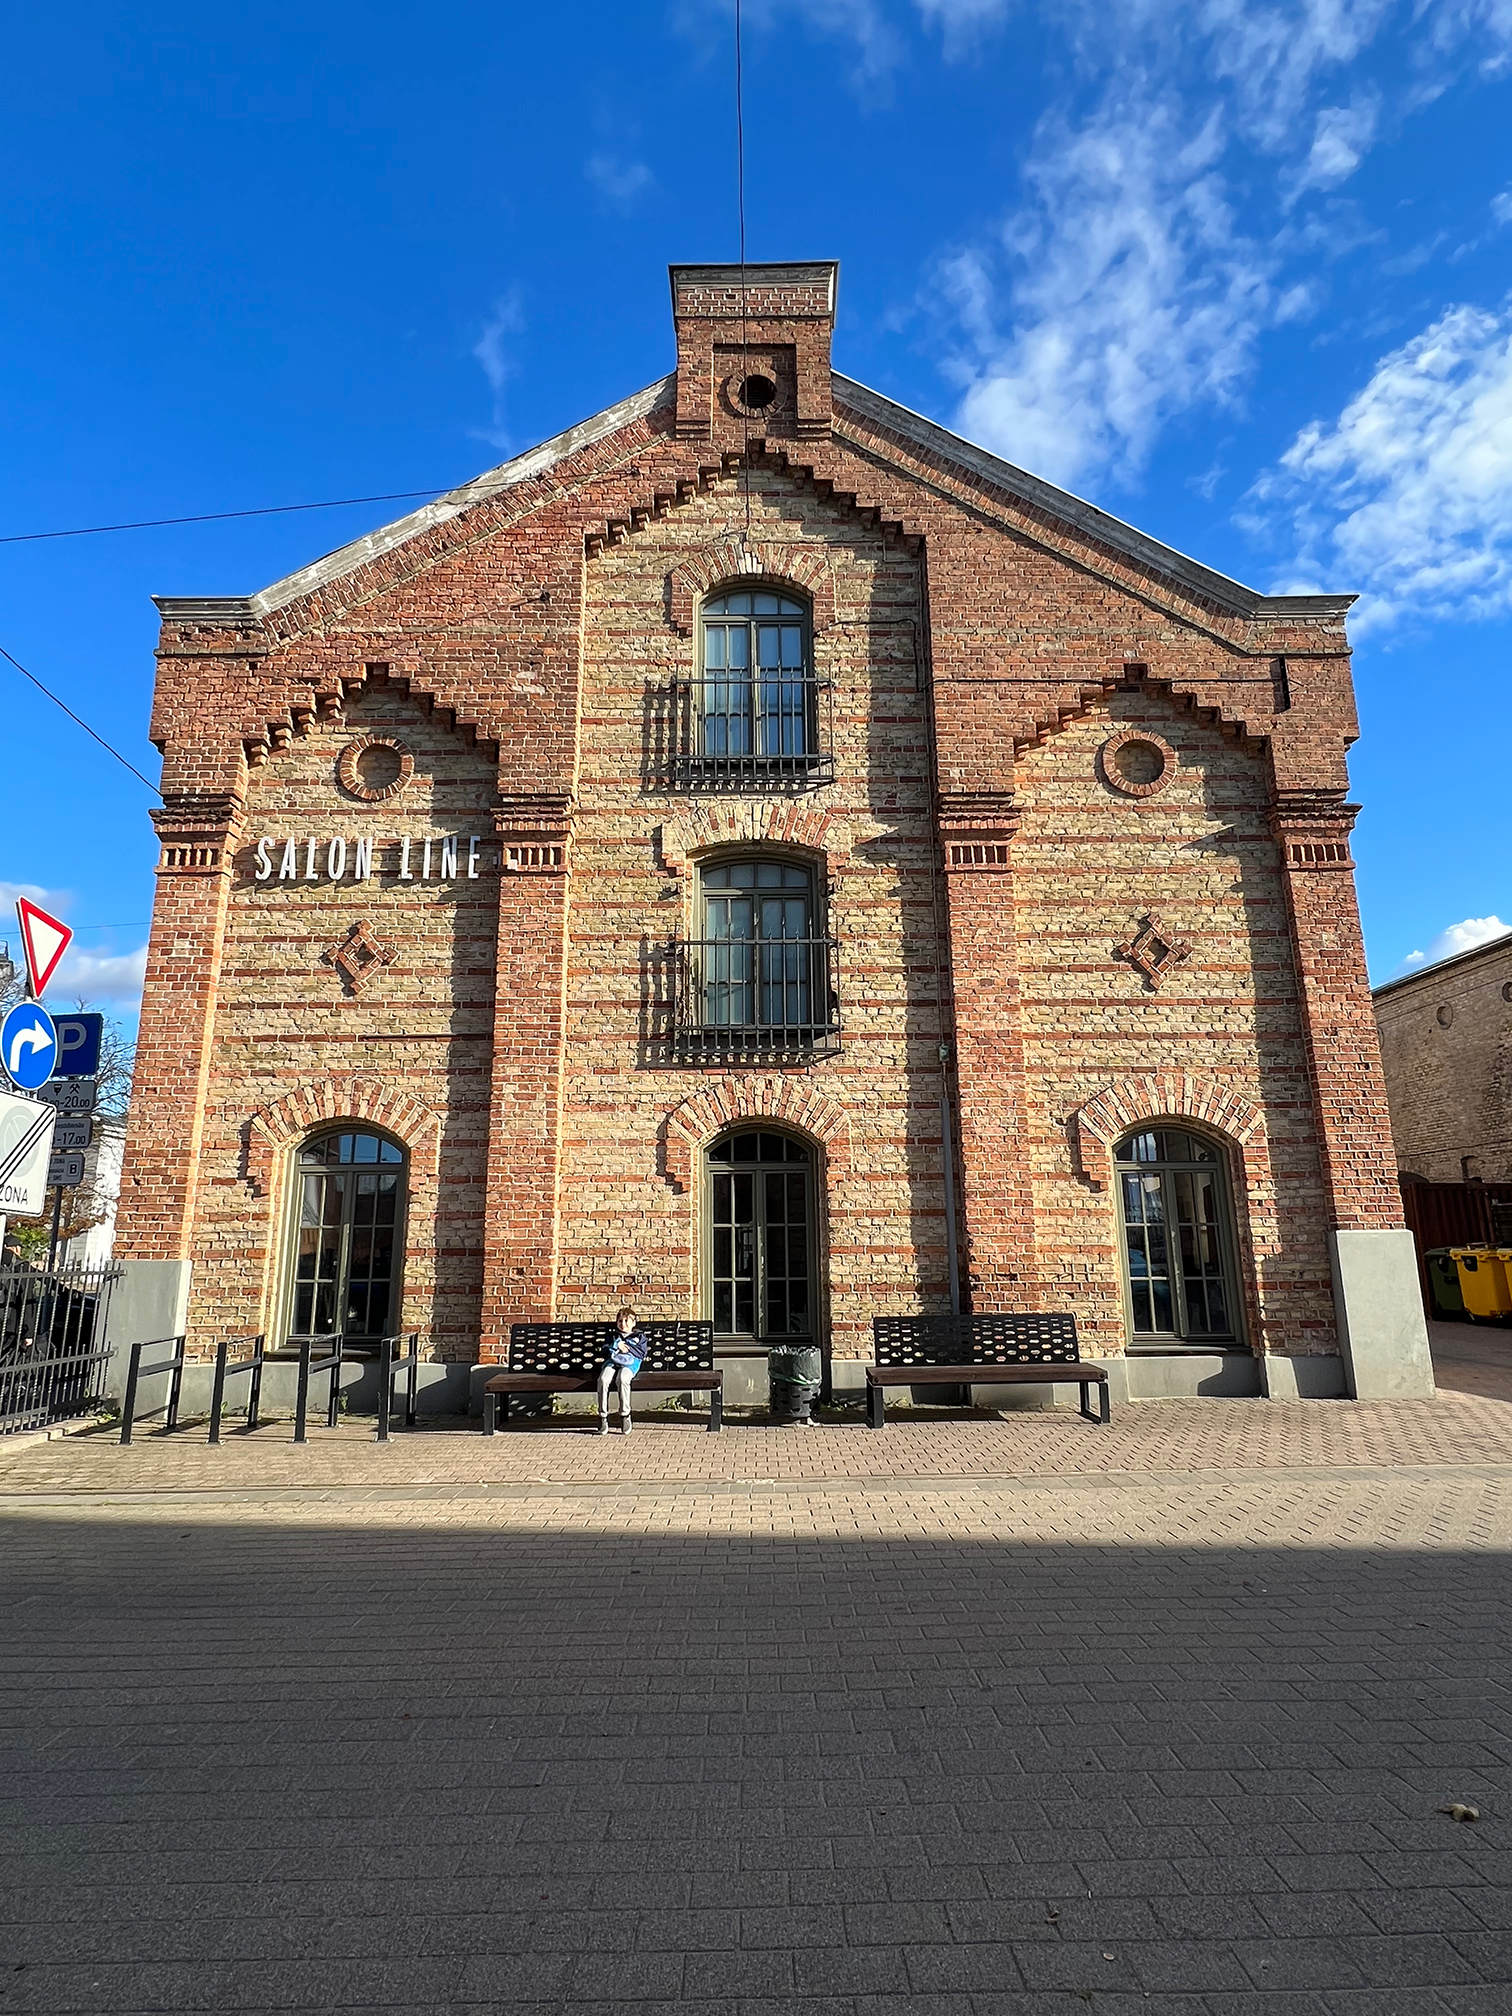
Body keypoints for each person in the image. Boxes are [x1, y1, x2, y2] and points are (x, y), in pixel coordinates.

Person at [598, 1306, 646, 1436]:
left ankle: (625, 1415)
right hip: (613, 1362)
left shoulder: (639, 1336)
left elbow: (641, 1353)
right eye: (620, 1321)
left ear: (633, 1323)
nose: (623, 1324)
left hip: (630, 1364)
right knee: (603, 1379)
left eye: (626, 1321)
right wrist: (615, 1345)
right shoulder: (613, 1336)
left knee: (623, 1378)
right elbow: (604, 1351)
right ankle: (603, 1416)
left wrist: (627, 1346)